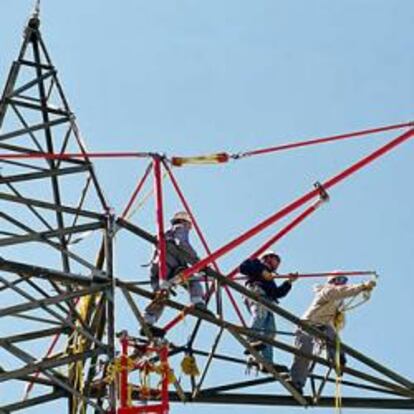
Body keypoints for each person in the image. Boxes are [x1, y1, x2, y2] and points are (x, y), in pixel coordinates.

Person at [289, 273, 376, 394]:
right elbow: (342, 291)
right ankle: (296, 382)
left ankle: (338, 359)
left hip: (323, 326)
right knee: (305, 350)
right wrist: (362, 286)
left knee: (333, 337)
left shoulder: (338, 302)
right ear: (331, 281)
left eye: (344, 280)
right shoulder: (327, 291)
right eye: (339, 280)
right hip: (308, 323)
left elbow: (339, 320)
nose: (342, 283)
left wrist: (338, 318)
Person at [143, 211, 209, 334]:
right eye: (189, 225)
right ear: (185, 222)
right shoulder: (180, 228)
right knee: (193, 280)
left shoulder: (165, 233)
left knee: (161, 296)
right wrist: (198, 263)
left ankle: (147, 322)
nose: (190, 228)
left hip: (158, 267)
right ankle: (197, 302)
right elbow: (182, 244)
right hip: (171, 266)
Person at [239, 251, 298, 367]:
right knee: (260, 315)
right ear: (268, 258)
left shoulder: (270, 279)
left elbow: (276, 293)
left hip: (267, 300)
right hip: (257, 293)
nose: (278, 264)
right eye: (277, 260)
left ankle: (267, 362)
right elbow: (243, 267)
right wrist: (261, 271)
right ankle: (250, 341)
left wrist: (289, 282)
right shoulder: (256, 264)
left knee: (271, 330)